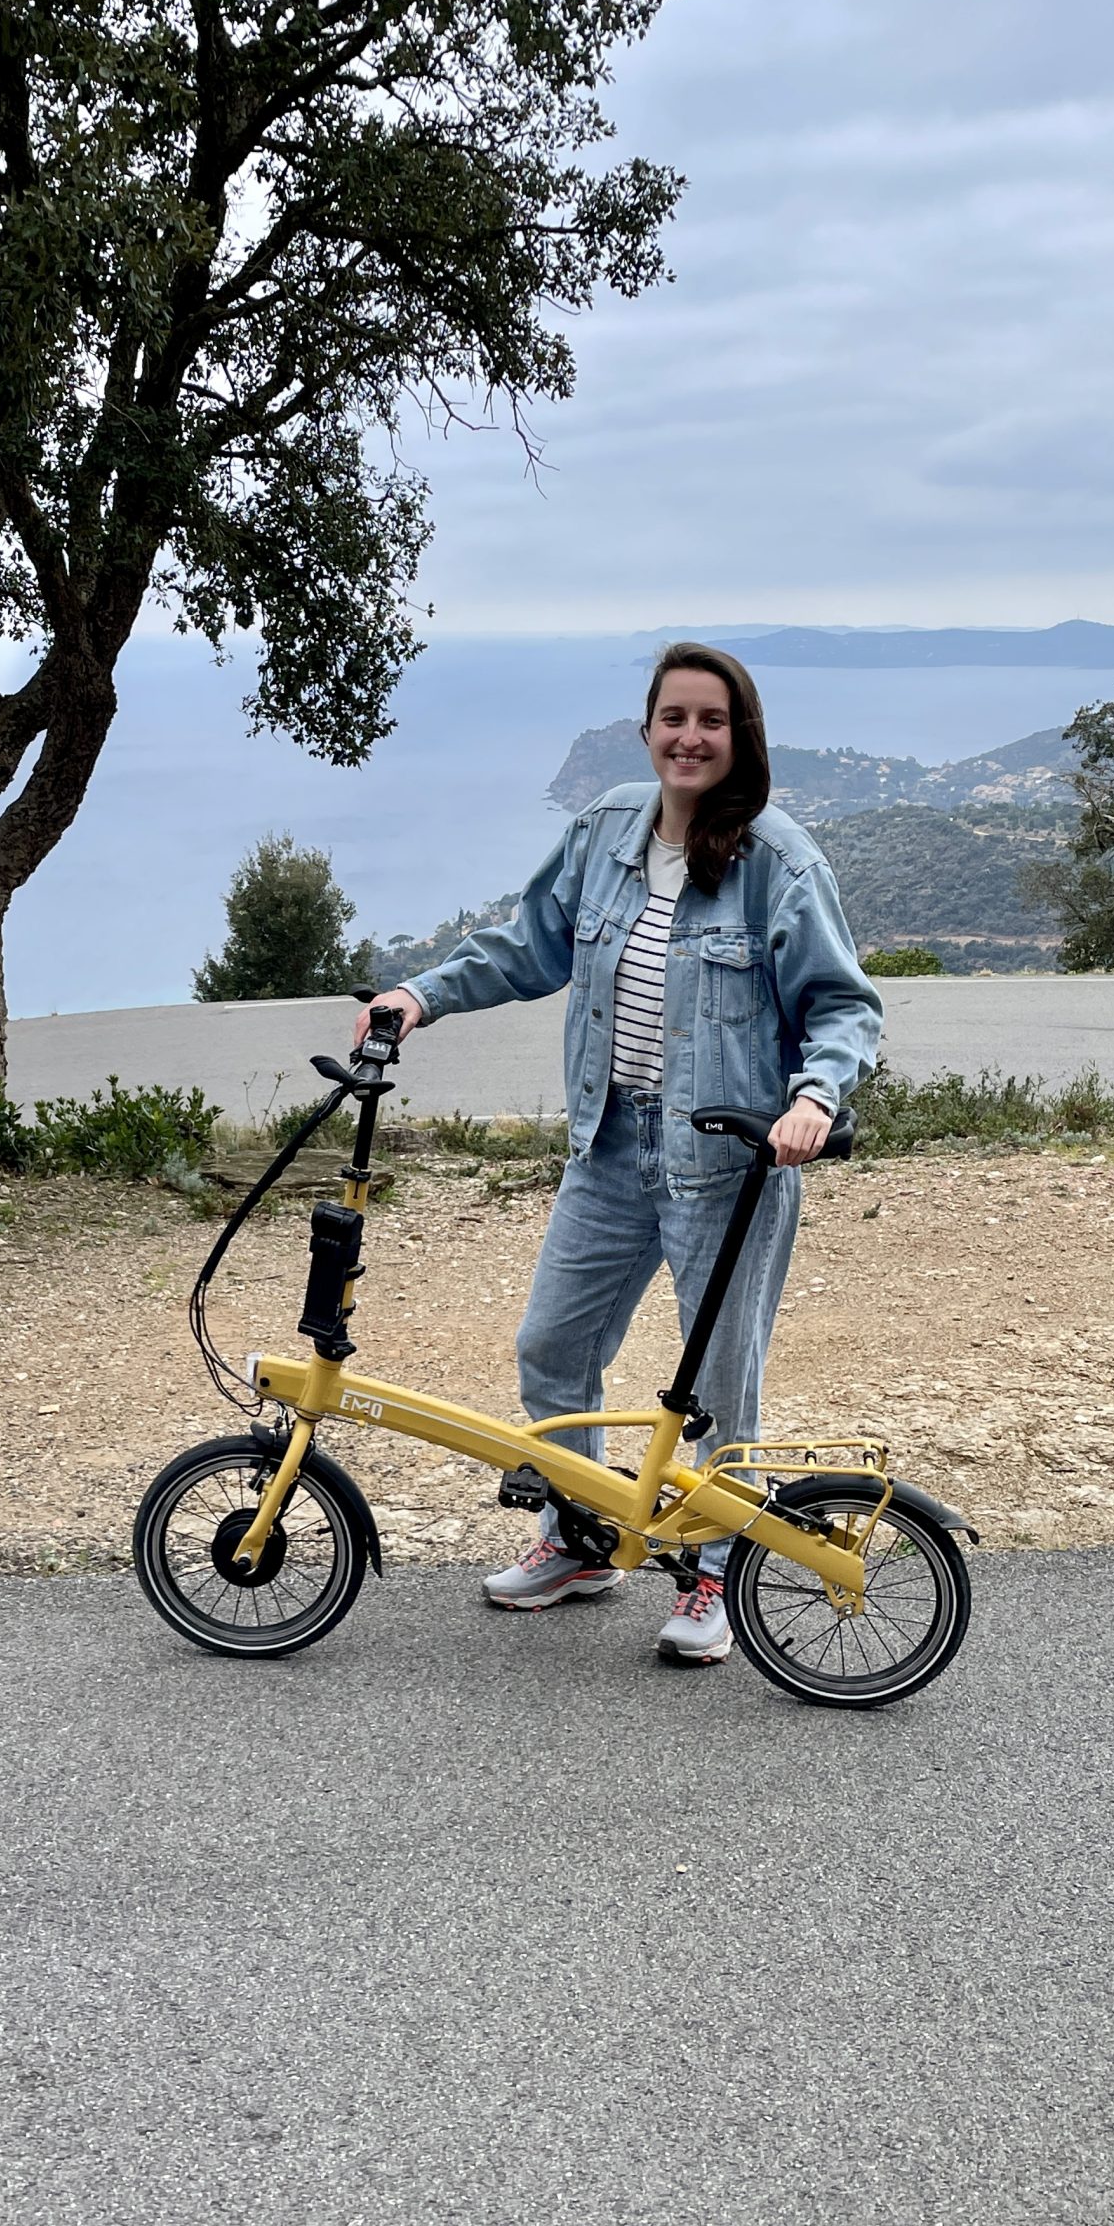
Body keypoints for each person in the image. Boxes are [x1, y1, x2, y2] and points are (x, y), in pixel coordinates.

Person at [355, 641, 882, 1666]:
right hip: (607, 1146)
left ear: (739, 739)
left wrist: (815, 1096)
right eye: (674, 717)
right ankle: (584, 1536)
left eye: (711, 721)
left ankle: (715, 1572)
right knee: (553, 1347)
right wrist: (420, 994)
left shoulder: (779, 861)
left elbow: (843, 1006)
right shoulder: (604, 834)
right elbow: (526, 945)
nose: (690, 736)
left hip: (728, 1167)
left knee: (720, 1387)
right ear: (647, 731)